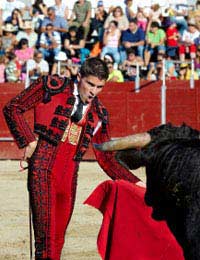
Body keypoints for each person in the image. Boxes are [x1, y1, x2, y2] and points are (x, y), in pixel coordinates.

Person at [3, 57, 142, 260]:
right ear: (79, 77)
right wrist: (29, 141)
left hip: (69, 179)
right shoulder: (52, 87)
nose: (93, 91)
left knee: (58, 240)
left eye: (99, 87)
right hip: (43, 170)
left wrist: (136, 183)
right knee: (46, 241)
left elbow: (107, 159)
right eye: (90, 84)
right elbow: (13, 108)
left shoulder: (99, 113)